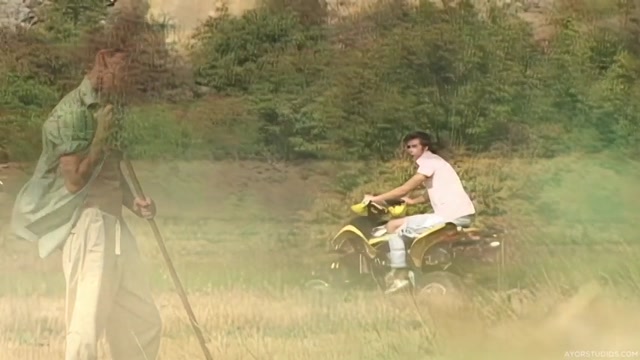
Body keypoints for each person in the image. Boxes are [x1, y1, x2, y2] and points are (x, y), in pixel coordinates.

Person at [9, 48, 162, 360]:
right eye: (122, 70)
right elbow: (76, 180)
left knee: (144, 323)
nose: (127, 80)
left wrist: (136, 203)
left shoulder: (106, 109)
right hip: (89, 228)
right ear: (102, 62)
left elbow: (109, 173)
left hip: (116, 227)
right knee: (85, 329)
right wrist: (101, 138)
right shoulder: (73, 112)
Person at [363, 131, 476, 294]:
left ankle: (400, 277)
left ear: (425, 147)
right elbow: (433, 191)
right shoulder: (439, 163)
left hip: (449, 216)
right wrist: (413, 202)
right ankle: (411, 269)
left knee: (394, 226)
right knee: (405, 229)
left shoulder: (429, 161)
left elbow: (405, 188)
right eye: (408, 147)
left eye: (415, 146)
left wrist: (375, 199)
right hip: (463, 215)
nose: (410, 150)